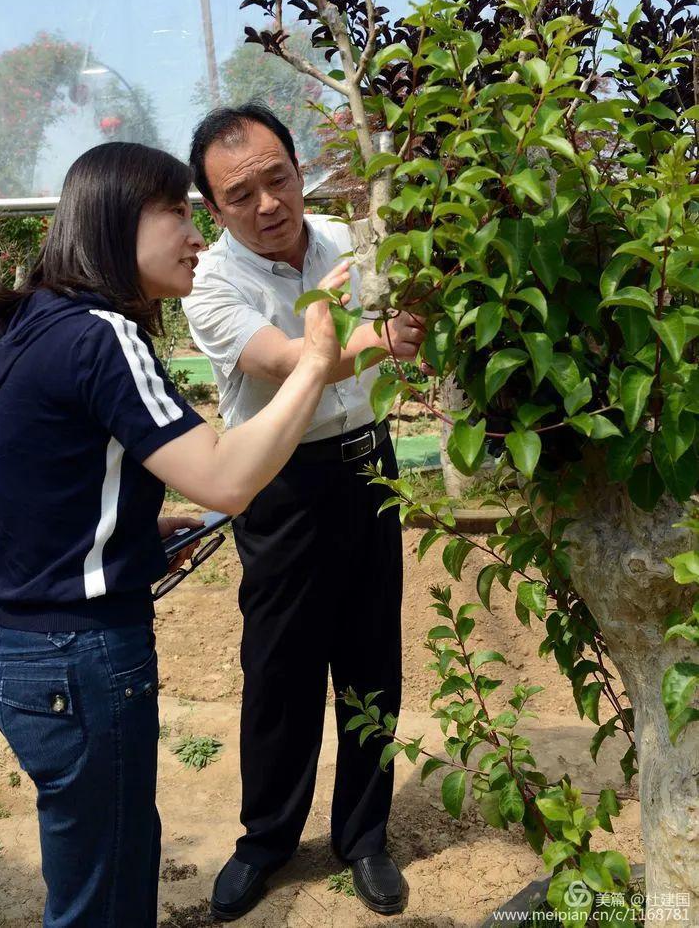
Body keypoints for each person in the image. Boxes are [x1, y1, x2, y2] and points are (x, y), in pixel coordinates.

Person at [0, 141, 349, 928]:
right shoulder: (103, 333)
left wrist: (130, 523)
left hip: (23, 652)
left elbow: (38, 475)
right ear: (115, 219)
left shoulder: (35, 324)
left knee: (103, 858)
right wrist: (315, 361)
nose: (197, 236)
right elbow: (224, 478)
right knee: (105, 895)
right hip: (82, 660)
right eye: (178, 211)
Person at [182, 103, 426, 920]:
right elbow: (293, 364)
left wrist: (409, 328)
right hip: (281, 486)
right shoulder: (212, 283)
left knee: (371, 660)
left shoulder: (350, 244)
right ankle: (267, 840)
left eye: (278, 179)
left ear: (298, 168)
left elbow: (388, 334)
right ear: (212, 210)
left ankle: (364, 837)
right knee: (280, 671)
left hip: (369, 467)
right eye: (240, 195)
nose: (268, 206)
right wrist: (371, 333)